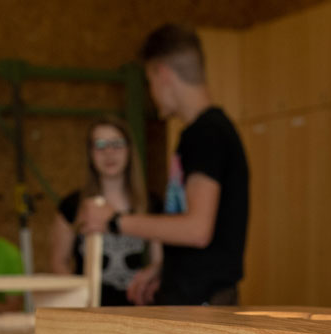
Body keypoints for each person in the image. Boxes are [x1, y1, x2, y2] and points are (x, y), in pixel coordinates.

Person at [81, 24, 249, 306]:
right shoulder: (199, 133)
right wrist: (164, 269)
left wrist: (114, 221)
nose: (152, 93)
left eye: (150, 81)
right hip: (191, 297)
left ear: (162, 74)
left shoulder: (205, 133)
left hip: (203, 304)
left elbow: (197, 229)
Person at [50, 116, 162, 306]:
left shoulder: (151, 204)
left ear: (129, 149)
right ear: (90, 153)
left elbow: (158, 260)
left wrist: (152, 275)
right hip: (89, 308)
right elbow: (58, 262)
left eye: (116, 144)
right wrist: (80, 296)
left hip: (138, 307)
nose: (109, 153)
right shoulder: (72, 205)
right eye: (100, 145)